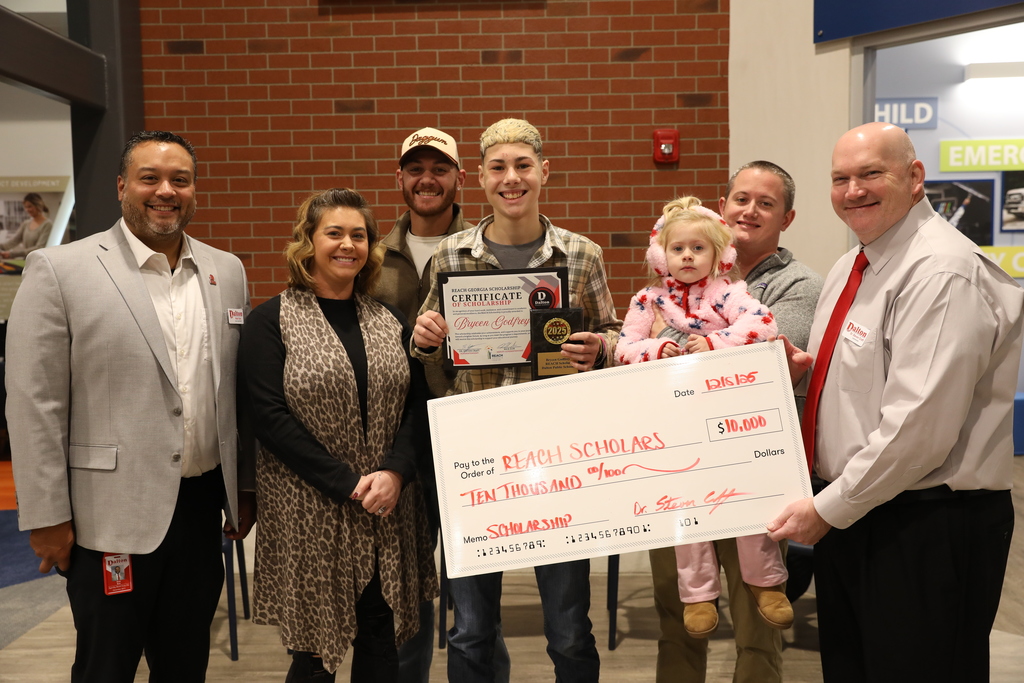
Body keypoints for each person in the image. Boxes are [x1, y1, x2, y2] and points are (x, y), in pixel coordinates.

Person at [768, 122, 1024, 682]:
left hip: (925, 525)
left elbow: (918, 430)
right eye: (840, 179)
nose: (853, 190)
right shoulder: (854, 265)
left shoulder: (941, 272)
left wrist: (827, 510)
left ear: (914, 177)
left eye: (870, 174)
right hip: (859, 512)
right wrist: (804, 371)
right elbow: (866, 382)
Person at [6, 130, 256, 683]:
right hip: (107, 517)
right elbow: (34, 404)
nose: (166, 191)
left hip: (199, 510)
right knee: (106, 667)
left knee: (185, 665)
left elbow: (235, 392)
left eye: (180, 180)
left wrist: (243, 486)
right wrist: (46, 515)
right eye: (150, 178)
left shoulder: (227, 271)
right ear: (122, 187)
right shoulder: (59, 269)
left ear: (194, 190)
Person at [412, 118, 621, 682]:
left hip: (558, 458)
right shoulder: (450, 256)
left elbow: (614, 333)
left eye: (523, 166)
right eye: (498, 168)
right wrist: (424, 339)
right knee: (471, 628)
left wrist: (600, 347)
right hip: (474, 460)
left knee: (570, 629)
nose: (512, 178)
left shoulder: (581, 255)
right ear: (479, 178)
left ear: (544, 172)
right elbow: (428, 346)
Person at [239, 187, 438, 682]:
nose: (348, 244)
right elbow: (269, 418)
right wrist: (348, 483)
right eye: (334, 233)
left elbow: (417, 406)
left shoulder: (388, 319)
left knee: (381, 644)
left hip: (386, 510)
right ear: (307, 241)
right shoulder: (271, 321)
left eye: (359, 235)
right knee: (313, 659)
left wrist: (395, 473)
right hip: (311, 511)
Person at [649, 161, 822, 683]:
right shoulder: (670, 276)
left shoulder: (800, 285)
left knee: (758, 617)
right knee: (679, 612)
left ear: (787, 218)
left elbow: (763, 362)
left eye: (766, 203)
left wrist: (678, 342)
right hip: (677, 467)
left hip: (753, 467)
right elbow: (645, 346)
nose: (750, 210)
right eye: (741, 199)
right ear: (721, 208)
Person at [615, 196, 789, 639]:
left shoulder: (729, 292)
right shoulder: (647, 299)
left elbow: (763, 326)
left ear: (718, 255)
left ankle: (766, 583)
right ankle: (698, 595)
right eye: (678, 249)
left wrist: (714, 343)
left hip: (729, 416)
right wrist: (656, 347)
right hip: (677, 422)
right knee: (688, 505)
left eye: (698, 248)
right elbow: (623, 348)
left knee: (749, 498)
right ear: (661, 256)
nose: (688, 256)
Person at [377, 126, 512, 683]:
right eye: (416, 169)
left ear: (460, 178)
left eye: (439, 169)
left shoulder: (487, 250)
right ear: (400, 178)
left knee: (474, 590)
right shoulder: (371, 256)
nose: (427, 179)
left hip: (468, 433)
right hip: (395, 442)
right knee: (406, 589)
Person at [1, 192, 54, 258]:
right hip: (26, 261)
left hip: (39, 261)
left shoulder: (47, 225)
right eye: (25, 207)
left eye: (30, 206)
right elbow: (13, 241)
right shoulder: (26, 224)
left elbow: (40, 248)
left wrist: (12, 254)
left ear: (38, 206)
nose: (27, 210)